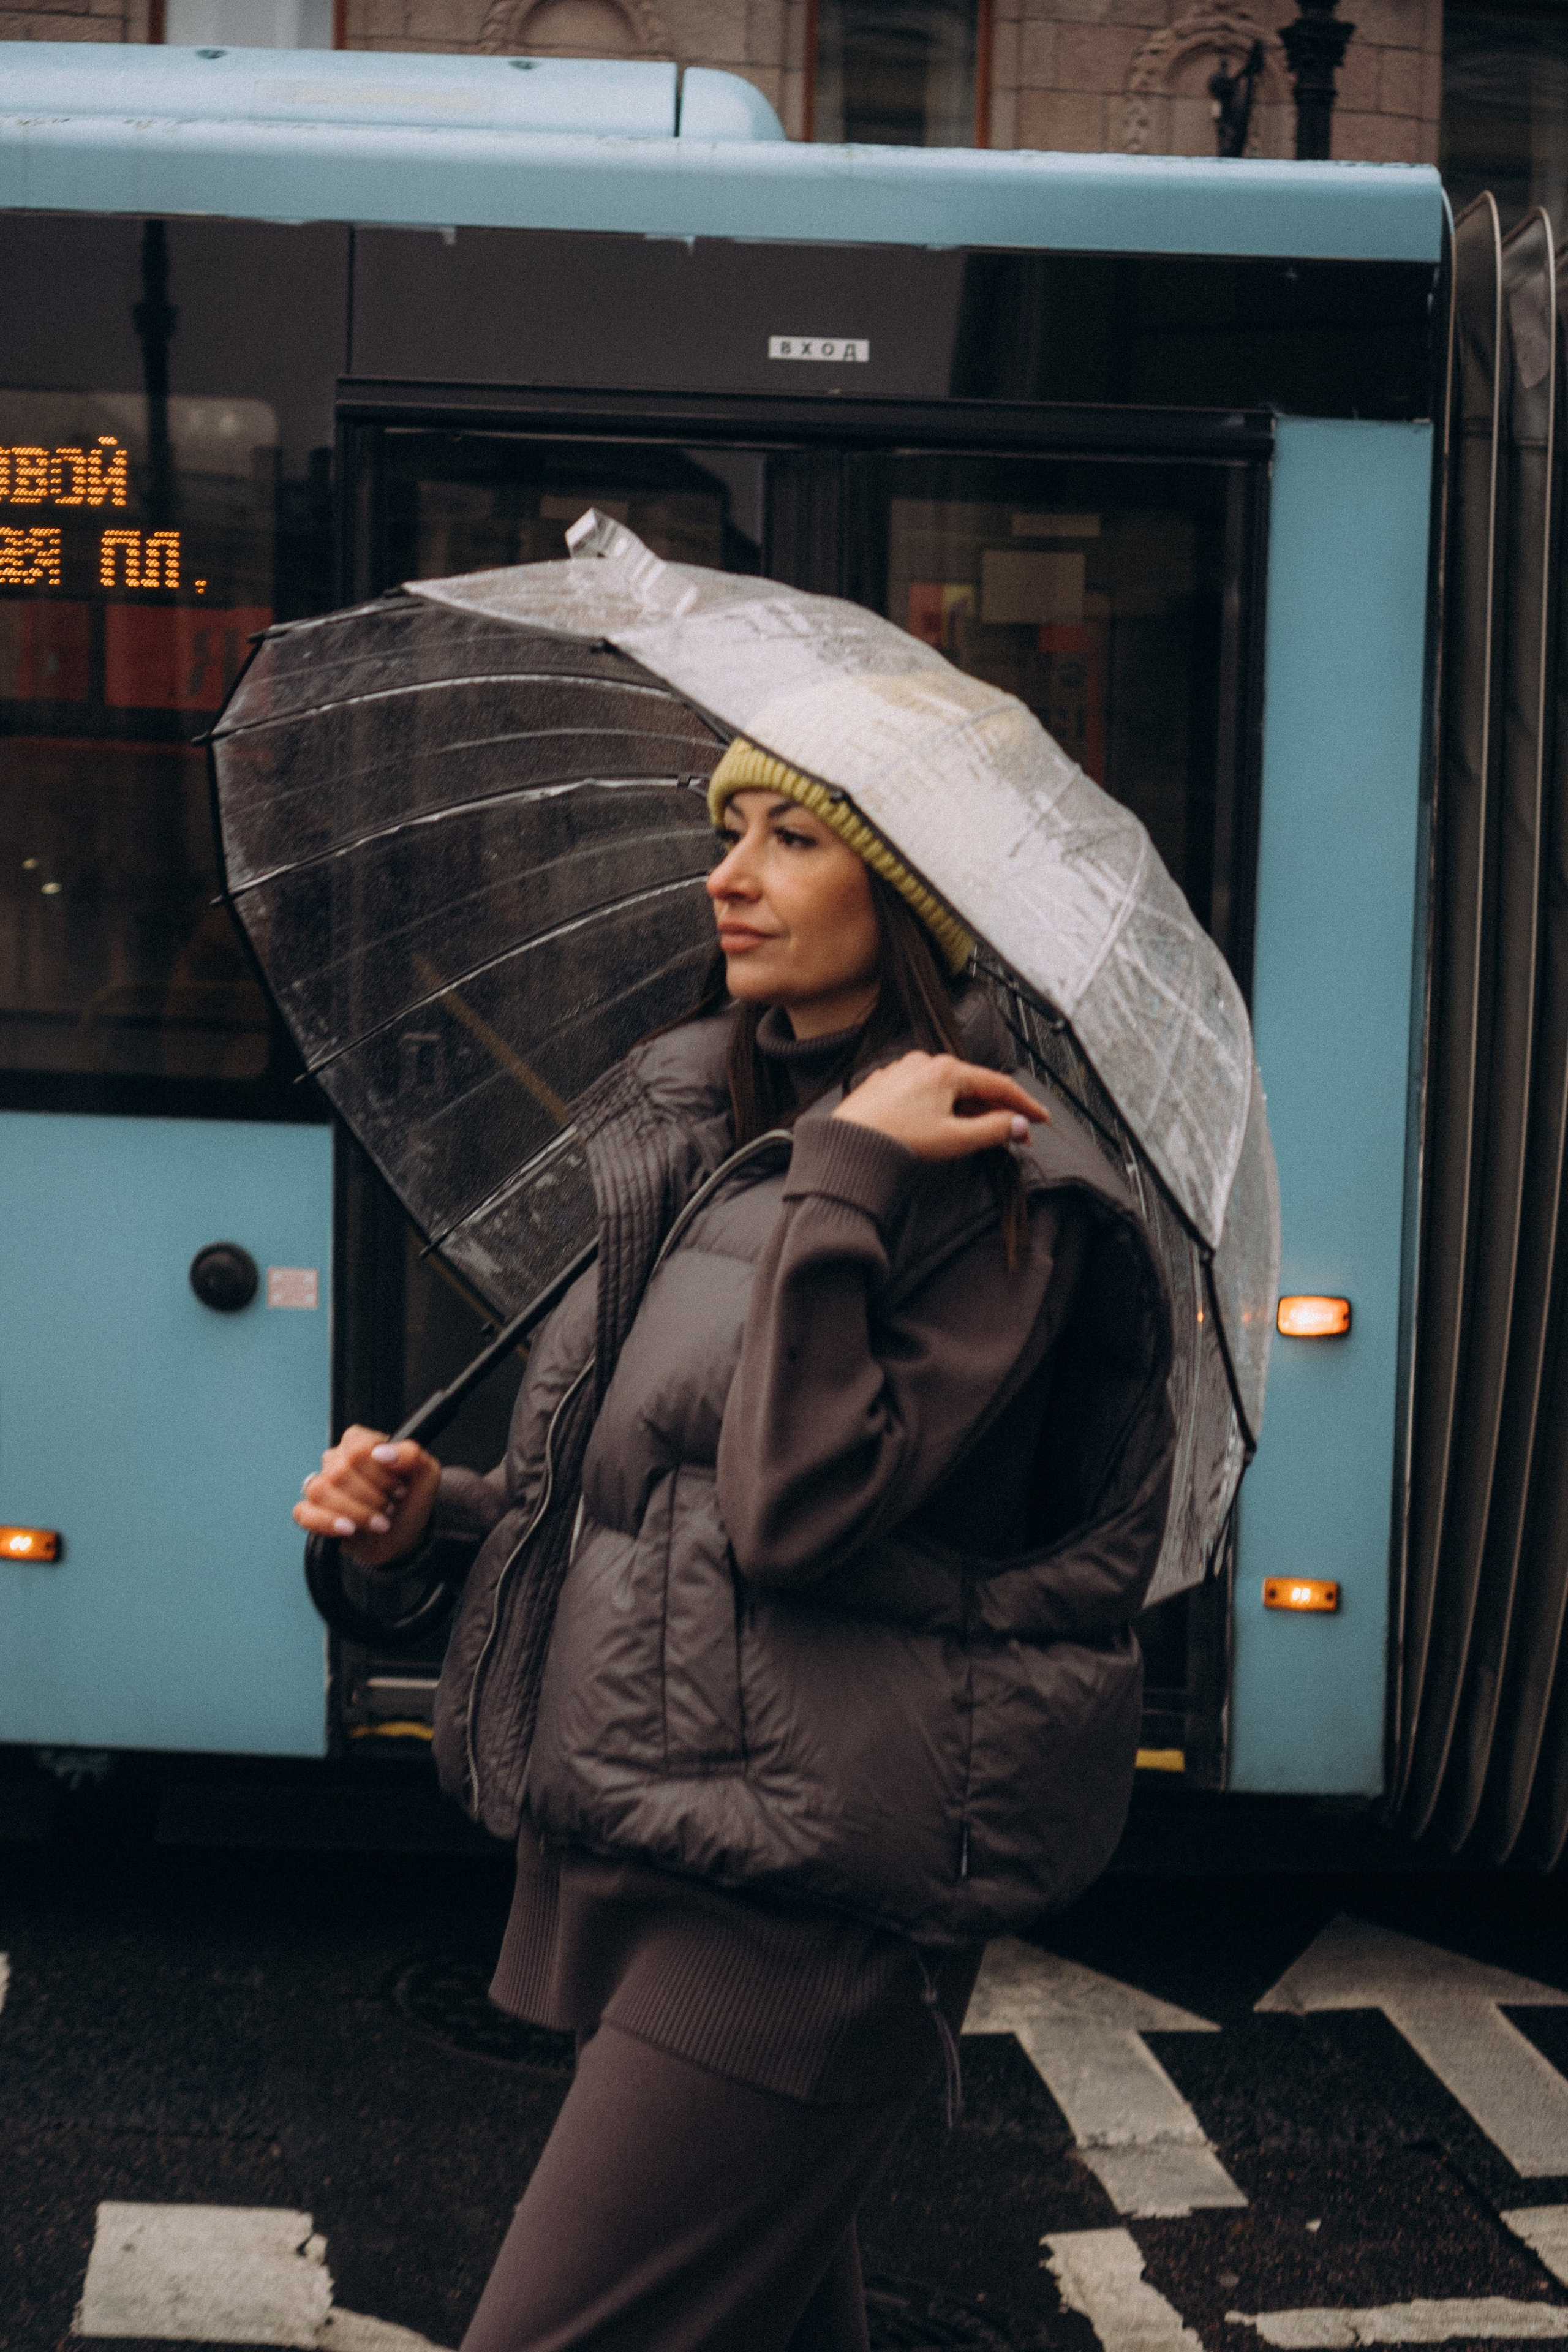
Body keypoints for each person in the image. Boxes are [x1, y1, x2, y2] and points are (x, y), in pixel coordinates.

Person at [295, 739, 1177, 2352]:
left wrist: (851, 1181)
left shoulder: (994, 1186)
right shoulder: (714, 1130)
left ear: (914, 890)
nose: (730, 872)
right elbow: (646, 1506)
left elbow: (793, 1514)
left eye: (793, 838)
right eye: (727, 830)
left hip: (795, 1906)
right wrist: (432, 1528)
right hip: (660, 1842)